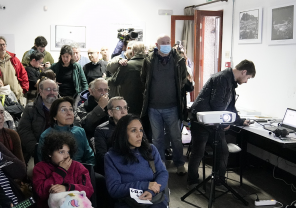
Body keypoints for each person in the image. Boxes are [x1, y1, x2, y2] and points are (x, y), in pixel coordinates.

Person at [186, 60, 256, 188]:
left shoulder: (231, 82)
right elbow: (216, 104)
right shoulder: (222, 78)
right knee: (198, 151)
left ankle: (219, 181)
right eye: (248, 78)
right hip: (201, 120)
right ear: (243, 72)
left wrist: (239, 121)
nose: (246, 81)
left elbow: (230, 106)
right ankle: (192, 181)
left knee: (223, 151)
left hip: (214, 121)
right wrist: (224, 123)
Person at [141, 34, 188, 175]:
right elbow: (143, 79)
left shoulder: (178, 60)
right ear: (157, 44)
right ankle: (160, 164)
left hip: (173, 107)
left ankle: (179, 163)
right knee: (157, 138)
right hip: (153, 107)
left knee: (176, 137)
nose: (167, 44)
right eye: (163, 42)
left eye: (168, 42)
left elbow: (184, 79)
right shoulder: (149, 60)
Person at [36, 97, 95, 164]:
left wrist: (85, 172)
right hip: (56, 172)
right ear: (54, 116)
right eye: (64, 110)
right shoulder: (46, 135)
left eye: (71, 109)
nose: (69, 113)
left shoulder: (80, 131)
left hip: (80, 171)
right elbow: (43, 163)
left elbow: (90, 157)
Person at [18, 79, 59, 163]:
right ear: (40, 91)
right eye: (48, 89)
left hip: (62, 151)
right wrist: (38, 151)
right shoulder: (30, 109)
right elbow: (24, 131)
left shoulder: (66, 107)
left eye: (54, 90)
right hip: (37, 152)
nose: (52, 92)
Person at [0, 36, 29, 102]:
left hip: (18, 95)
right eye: (0, 45)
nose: (3, 46)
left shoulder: (13, 59)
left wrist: (24, 89)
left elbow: (23, 74)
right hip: (3, 97)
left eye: (4, 44)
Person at [108, 42, 145, 116]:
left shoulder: (126, 65)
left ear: (133, 52)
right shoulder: (149, 64)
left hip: (129, 101)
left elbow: (115, 81)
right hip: (145, 102)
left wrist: (106, 78)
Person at [94, 97, 128, 175]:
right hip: (113, 169)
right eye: (118, 108)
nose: (123, 112)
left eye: (125, 108)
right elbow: (102, 157)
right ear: (110, 112)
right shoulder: (101, 130)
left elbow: (145, 149)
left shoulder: (134, 126)